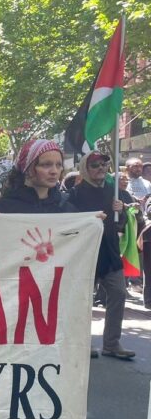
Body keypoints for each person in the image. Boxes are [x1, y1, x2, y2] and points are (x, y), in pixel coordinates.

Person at [0, 138, 78, 419]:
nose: (54, 171)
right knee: (1, 385)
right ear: (29, 168)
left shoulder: (68, 208)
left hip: (47, 315)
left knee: (37, 388)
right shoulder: (3, 207)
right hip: (7, 312)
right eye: (46, 164)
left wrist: (94, 227)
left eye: (58, 165)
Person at [69, 151, 133, 360]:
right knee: (83, 301)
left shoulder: (114, 191)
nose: (101, 168)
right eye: (95, 165)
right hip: (86, 254)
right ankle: (81, 344)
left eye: (104, 164)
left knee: (119, 294)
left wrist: (121, 211)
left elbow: (122, 223)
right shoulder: (75, 194)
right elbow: (69, 223)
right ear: (85, 168)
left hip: (110, 252)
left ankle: (112, 343)